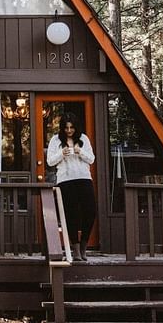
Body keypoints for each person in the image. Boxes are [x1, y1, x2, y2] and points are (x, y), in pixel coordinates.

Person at [46, 112, 95, 261]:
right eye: (66, 127)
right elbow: (50, 161)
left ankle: (84, 244)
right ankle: (75, 248)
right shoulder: (55, 140)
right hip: (66, 180)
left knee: (90, 211)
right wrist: (62, 153)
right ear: (62, 128)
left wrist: (80, 152)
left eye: (71, 127)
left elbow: (91, 159)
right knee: (70, 214)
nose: (69, 130)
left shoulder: (83, 139)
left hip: (84, 178)